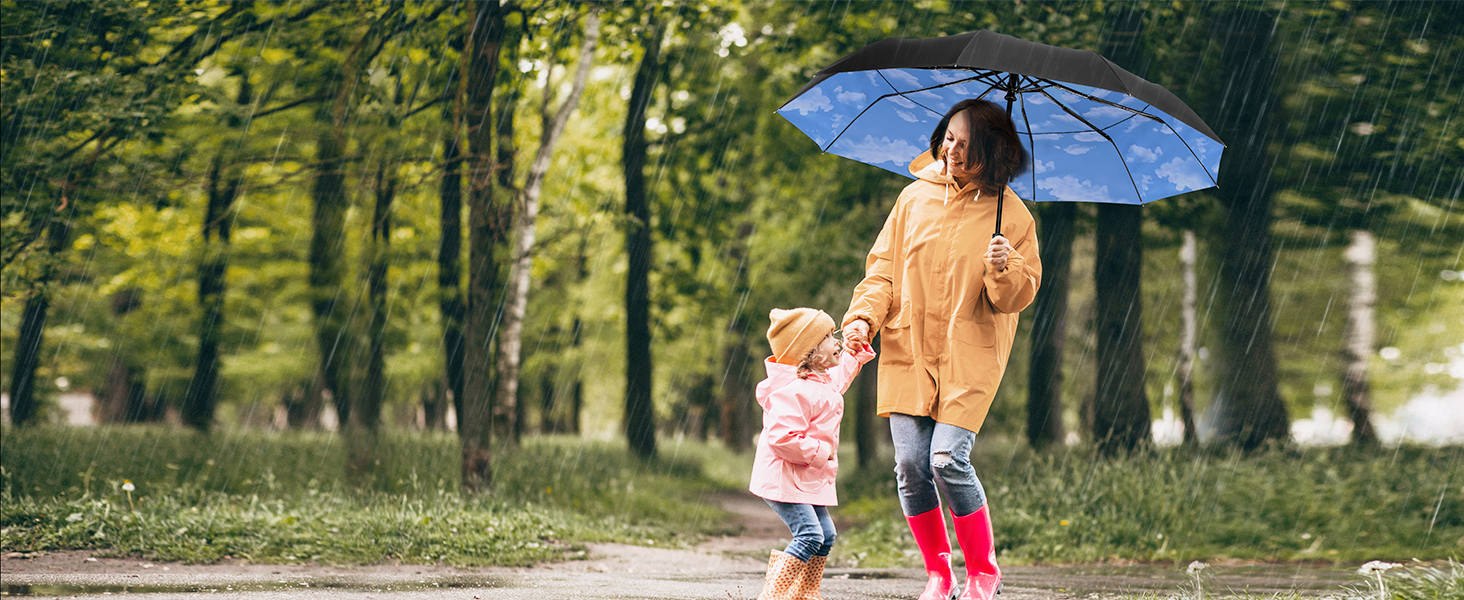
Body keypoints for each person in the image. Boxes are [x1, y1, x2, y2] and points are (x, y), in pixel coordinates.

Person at [841, 99, 1041, 600]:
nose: (951, 150)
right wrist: (863, 317)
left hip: (968, 353)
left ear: (993, 151)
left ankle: (983, 572)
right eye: (949, 137)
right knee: (910, 466)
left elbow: (1016, 297)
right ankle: (939, 573)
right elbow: (883, 270)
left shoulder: (1012, 215)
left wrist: (1006, 265)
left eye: (966, 145)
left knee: (947, 459)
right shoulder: (913, 198)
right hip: (909, 347)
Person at [750, 308, 876, 600]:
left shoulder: (823, 380)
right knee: (810, 535)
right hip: (783, 477)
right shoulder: (793, 391)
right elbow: (781, 437)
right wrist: (821, 450)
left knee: (826, 536)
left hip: (804, 477)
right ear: (810, 352)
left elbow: (841, 375)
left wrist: (855, 353)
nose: (838, 342)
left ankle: (805, 593)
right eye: (829, 337)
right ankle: (773, 596)